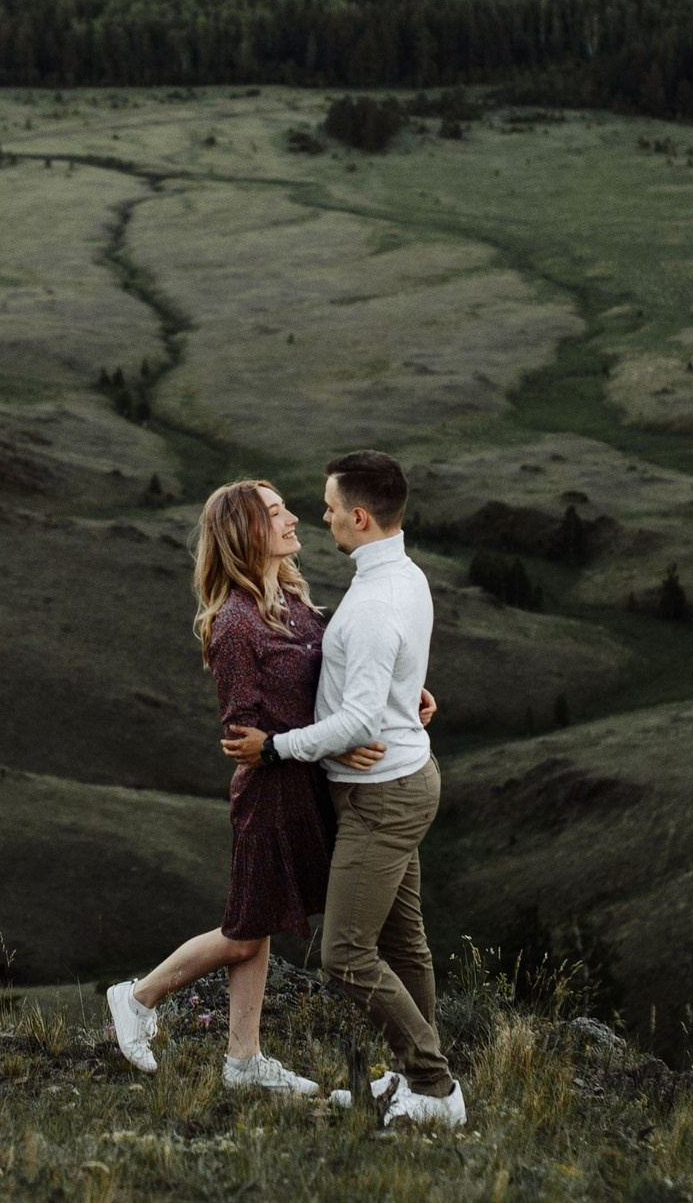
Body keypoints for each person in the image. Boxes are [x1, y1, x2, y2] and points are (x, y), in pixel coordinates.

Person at [105, 479, 431, 1093]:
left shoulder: (293, 598)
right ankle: (139, 997)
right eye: (276, 512)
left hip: (307, 784)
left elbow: (342, 670)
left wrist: (396, 696)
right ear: (246, 532)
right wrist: (333, 738)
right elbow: (242, 733)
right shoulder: (234, 623)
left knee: (260, 925)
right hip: (270, 796)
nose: (294, 518)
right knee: (244, 931)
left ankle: (243, 1059)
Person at [224, 449, 465, 1129]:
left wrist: (274, 748)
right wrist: (402, 697)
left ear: (360, 516)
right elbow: (380, 676)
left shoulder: (373, 605)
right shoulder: (403, 576)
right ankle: (413, 1077)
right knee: (405, 944)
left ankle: (435, 1089)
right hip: (401, 779)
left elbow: (358, 721)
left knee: (346, 955)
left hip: (380, 796)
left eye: (330, 507)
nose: (320, 516)